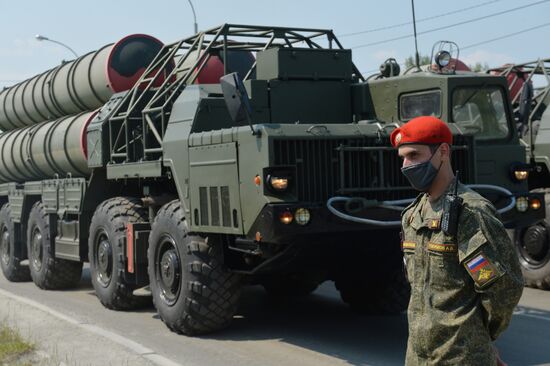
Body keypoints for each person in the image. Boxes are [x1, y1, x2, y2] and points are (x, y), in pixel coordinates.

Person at [390, 115, 524, 365]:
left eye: (415, 155)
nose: (407, 165)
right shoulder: (412, 216)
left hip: (461, 357)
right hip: (418, 357)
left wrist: (483, 338)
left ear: (442, 152)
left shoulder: (470, 212)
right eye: (403, 158)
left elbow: (502, 290)